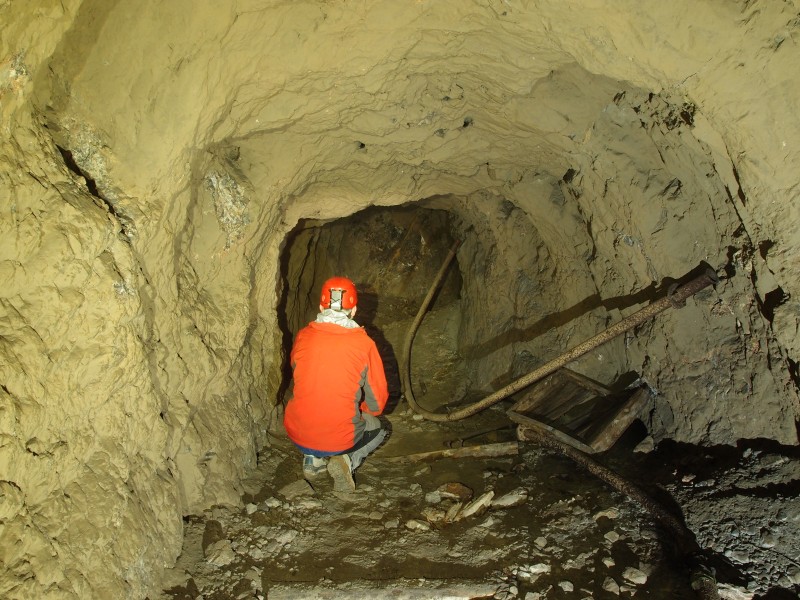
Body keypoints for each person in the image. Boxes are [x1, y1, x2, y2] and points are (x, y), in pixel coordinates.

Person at [283, 276, 389, 492]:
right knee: (380, 428)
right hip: (340, 439)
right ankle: (347, 460)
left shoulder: (303, 336)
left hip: (298, 432)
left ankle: (312, 460)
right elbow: (377, 405)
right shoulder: (364, 344)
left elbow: (302, 378)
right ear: (354, 310)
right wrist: (359, 409)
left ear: (322, 306)